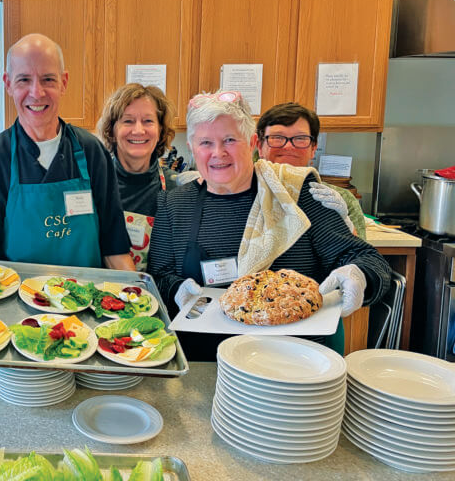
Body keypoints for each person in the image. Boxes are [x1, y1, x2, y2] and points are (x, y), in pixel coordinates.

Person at [147, 90, 391, 360]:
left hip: (293, 359)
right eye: (206, 142)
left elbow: (366, 258)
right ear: (192, 147)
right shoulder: (174, 204)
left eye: (230, 140)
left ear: (252, 142)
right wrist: (176, 290)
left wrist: (360, 275)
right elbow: (160, 274)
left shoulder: (296, 194)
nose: (218, 153)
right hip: (203, 358)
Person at [0, 33, 133, 270]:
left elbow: (115, 250)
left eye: (48, 79)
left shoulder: (92, 152)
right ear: (8, 84)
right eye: (24, 80)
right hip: (15, 303)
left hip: (85, 301)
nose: (36, 93)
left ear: (64, 82)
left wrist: (134, 298)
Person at [256, 102, 367, 238]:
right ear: (259, 146)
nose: (289, 146)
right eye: (277, 138)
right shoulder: (240, 192)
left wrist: (345, 223)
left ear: (313, 148)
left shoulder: (341, 199)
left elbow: (360, 254)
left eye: (300, 138)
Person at [97, 83, 178, 271]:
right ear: (112, 130)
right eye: (128, 121)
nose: (139, 130)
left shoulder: (175, 188)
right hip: (101, 293)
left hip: (157, 294)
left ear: (160, 131)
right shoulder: (96, 183)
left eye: (148, 121)